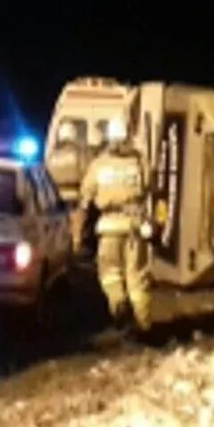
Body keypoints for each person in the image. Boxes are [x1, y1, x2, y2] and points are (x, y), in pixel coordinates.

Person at [76, 116, 153, 331]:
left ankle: (118, 304)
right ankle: (143, 324)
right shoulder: (139, 161)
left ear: (109, 137)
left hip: (109, 227)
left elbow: (85, 197)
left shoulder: (99, 165)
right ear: (128, 136)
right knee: (137, 277)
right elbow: (150, 186)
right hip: (135, 227)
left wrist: (79, 231)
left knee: (110, 272)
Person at [46, 119, 90, 207]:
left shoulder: (52, 155)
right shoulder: (80, 154)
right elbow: (87, 174)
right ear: (74, 135)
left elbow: (47, 175)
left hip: (56, 197)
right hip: (76, 197)